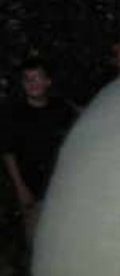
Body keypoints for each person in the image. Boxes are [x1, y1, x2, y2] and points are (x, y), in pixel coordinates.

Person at [1, 59, 79, 248]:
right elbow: (8, 153)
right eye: (27, 79)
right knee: (37, 241)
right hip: (32, 190)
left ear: (47, 81)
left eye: (37, 78)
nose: (32, 83)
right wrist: (21, 188)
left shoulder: (62, 108)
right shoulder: (14, 113)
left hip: (63, 187)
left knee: (65, 238)